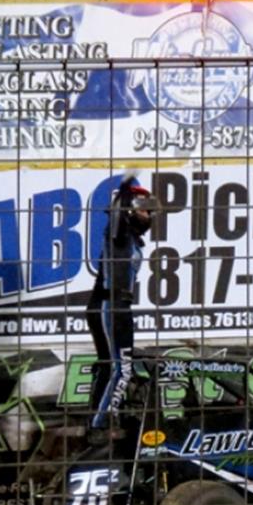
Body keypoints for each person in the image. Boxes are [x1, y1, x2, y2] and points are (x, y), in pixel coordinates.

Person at [86, 177, 157, 444]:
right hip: (108, 304)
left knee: (111, 366)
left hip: (120, 305)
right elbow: (115, 214)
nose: (148, 215)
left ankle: (99, 417)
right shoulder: (119, 232)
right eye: (143, 209)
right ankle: (98, 426)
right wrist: (127, 189)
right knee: (121, 368)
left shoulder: (133, 239)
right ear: (127, 209)